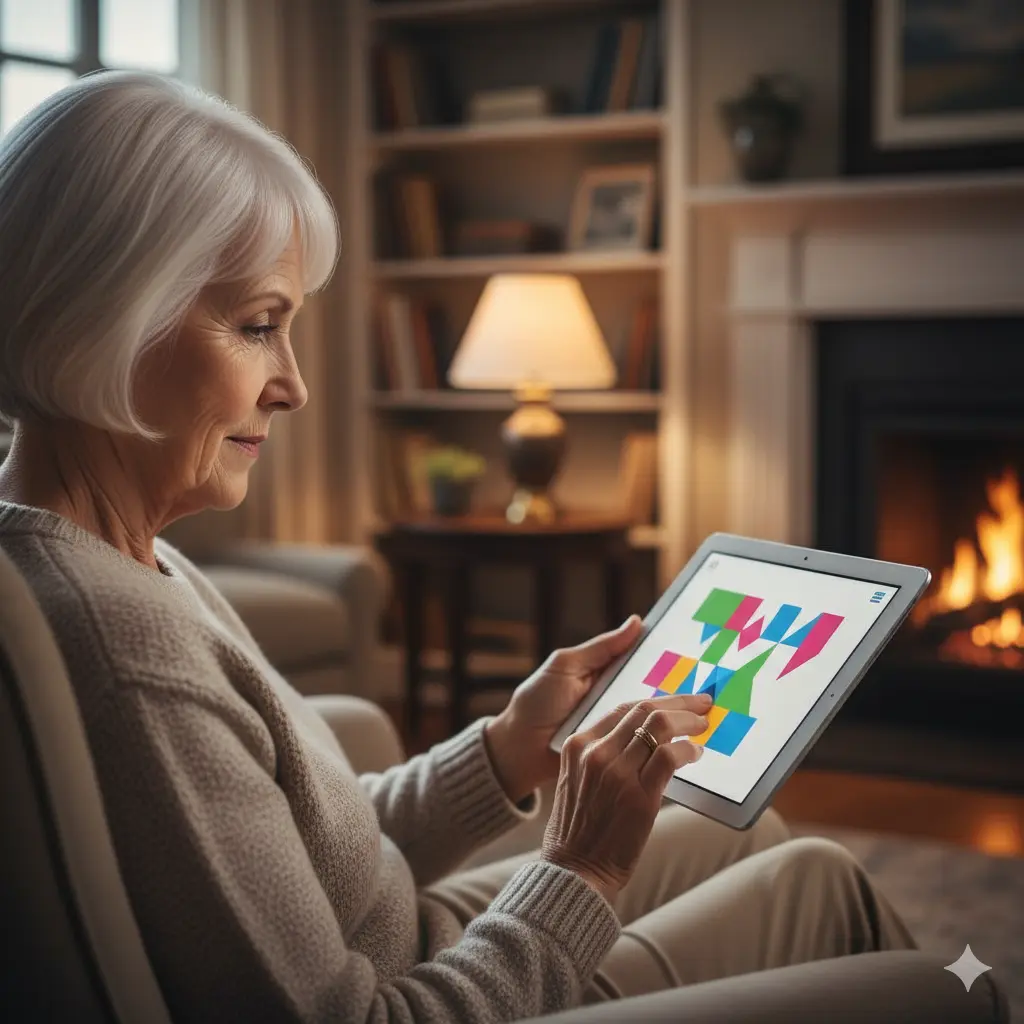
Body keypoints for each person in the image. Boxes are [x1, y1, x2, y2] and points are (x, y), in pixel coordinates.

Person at [0, 71, 917, 1024]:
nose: (295, 386)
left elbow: (312, 854)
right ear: (102, 321)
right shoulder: (125, 650)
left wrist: (510, 749)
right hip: (443, 995)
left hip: (418, 936)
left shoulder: (121, 556)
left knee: (745, 830)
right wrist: (585, 865)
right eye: (258, 328)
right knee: (829, 890)